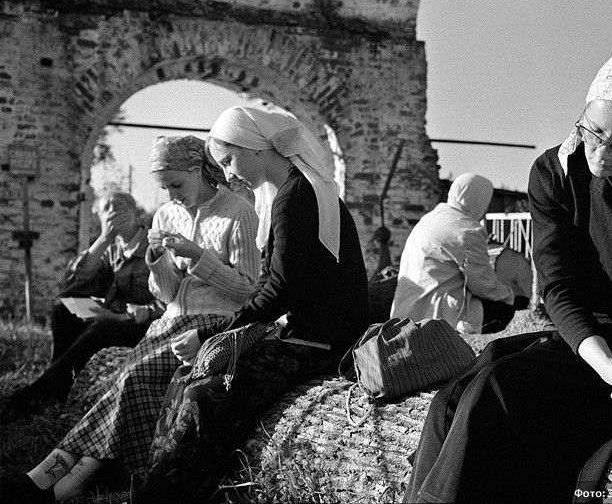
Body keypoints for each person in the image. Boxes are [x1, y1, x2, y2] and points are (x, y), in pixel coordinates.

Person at [402, 48, 612, 503]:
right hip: (589, 346)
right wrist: (606, 366)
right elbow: (559, 287)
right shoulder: (555, 173)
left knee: (498, 395)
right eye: (593, 131)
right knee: (456, 398)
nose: (602, 152)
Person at [0, 135, 260, 503]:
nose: (171, 195)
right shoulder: (167, 215)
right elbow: (168, 294)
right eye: (164, 187)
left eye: (177, 184)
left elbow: (248, 290)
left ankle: (49, 477)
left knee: (133, 377)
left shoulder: (239, 212)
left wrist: (198, 256)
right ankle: (72, 480)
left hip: (214, 325)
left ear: (199, 170)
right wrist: (157, 260)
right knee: (126, 380)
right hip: (170, 322)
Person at [133, 106, 369, 503]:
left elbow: (279, 290)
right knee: (195, 377)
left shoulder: (296, 196)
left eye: (228, 160)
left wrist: (209, 334)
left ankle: (160, 496)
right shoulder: (292, 191)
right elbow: (273, 284)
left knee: (203, 395)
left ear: (254, 147)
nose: (227, 175)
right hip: (312, 333)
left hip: (322, 342)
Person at [1, 191, 165, 422]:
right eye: (106, 209)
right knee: (63, 307)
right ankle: (57, 382)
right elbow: (74, 283)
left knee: (101, 327)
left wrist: (129, 315)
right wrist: (103, 239)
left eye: (119, 206)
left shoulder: (154, 246)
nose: (113, 213)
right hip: (114, 319)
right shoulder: (111, 251)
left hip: (146, 325)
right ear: (99, 218)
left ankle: (40, 393)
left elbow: (172, 298)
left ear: (135, 212)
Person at [391, 173, 530, 334]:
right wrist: (513, 294)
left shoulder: (431, 217)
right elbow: (484, 286)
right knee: (515, 306)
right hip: (435, 314)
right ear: (479, 200)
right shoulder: (467, 229)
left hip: (405, 311)